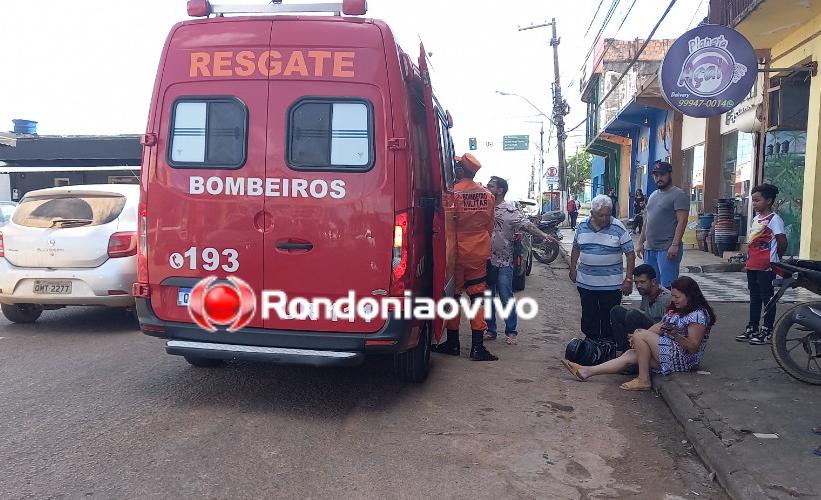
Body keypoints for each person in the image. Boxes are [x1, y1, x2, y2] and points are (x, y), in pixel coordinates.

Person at [561, 276, 716, 391]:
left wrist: (675, 335)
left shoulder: (698, 315)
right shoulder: (678, 310)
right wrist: (639, 338)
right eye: (673, 296)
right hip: (670, 351)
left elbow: (693, 347)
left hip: (684, 359)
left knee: (640, 334)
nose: (674, 299)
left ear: (689, 296)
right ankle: (586, 371)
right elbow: (660, 325)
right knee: (630, 354)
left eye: (677, 296)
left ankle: (643, 380)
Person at [431, 153, 498, 361]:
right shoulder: (487, 195)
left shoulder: (452, 194)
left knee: (454, 297)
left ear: (459, 170)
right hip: (477, 253)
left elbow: (445, 224)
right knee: (477, 298)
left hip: (455, 252)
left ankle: (452, 343)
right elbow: (490, 225)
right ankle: (478, 347)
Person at [485, 176, 555, 345]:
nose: (487, 188)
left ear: (500, 190)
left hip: (503, 261)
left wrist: (544, 235)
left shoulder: (510, 210)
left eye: (491, 186)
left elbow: (527, 225)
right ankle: (491, 329)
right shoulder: (484, 207)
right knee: (487, 297)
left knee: (505, 297)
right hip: (485, 260)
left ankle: (511, 332)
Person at [569, 194, 636, 343]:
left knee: (608, 316)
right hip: (586, 282)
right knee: (589, 314)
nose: (605, 218)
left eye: (608, 214)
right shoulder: (581, 226)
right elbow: (575, 249)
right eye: (601, 215)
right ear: (592, 213)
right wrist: (572, 268)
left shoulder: (618, 227)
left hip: (611, 285)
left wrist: (629, 279)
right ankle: (591, 343)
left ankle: (607, 345)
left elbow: (630, 254)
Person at [736, 183, 787, 345]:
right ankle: (752, 327)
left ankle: (767, 329)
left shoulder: (774, 220)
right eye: (754, 200)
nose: (755, 203)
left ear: (769, 200)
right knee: (755, 297)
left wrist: (774, 260)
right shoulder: (757, 219)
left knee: (768, 298)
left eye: (758, 200)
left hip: (767, 268)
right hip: (753, 266)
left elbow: (782, 242)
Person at [636, 161, 689, 288]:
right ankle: (650, 308)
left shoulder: (678, 195)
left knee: (667, 286)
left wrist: (675, 245)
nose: (659, 178)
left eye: (662, 175)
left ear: (669, 174)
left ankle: (667, 309)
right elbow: (647, 221)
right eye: (656, 175)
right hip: (650, 249)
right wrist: (640, 242)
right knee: (650, 286)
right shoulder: (653, 195)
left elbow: (682, 221)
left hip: (667, 249)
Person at [609, 264, 672, 351]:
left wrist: (643, 333)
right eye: (636, 282)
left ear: (653, 281)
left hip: (659, 335)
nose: (638, 286)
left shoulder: (666, 298)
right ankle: (624, 350)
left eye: (642, 282)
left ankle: (636, 351)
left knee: (632, 314)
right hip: (648, 329)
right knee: (616, 311)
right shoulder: (646, 292)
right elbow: (643, 313)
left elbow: (667, 327)